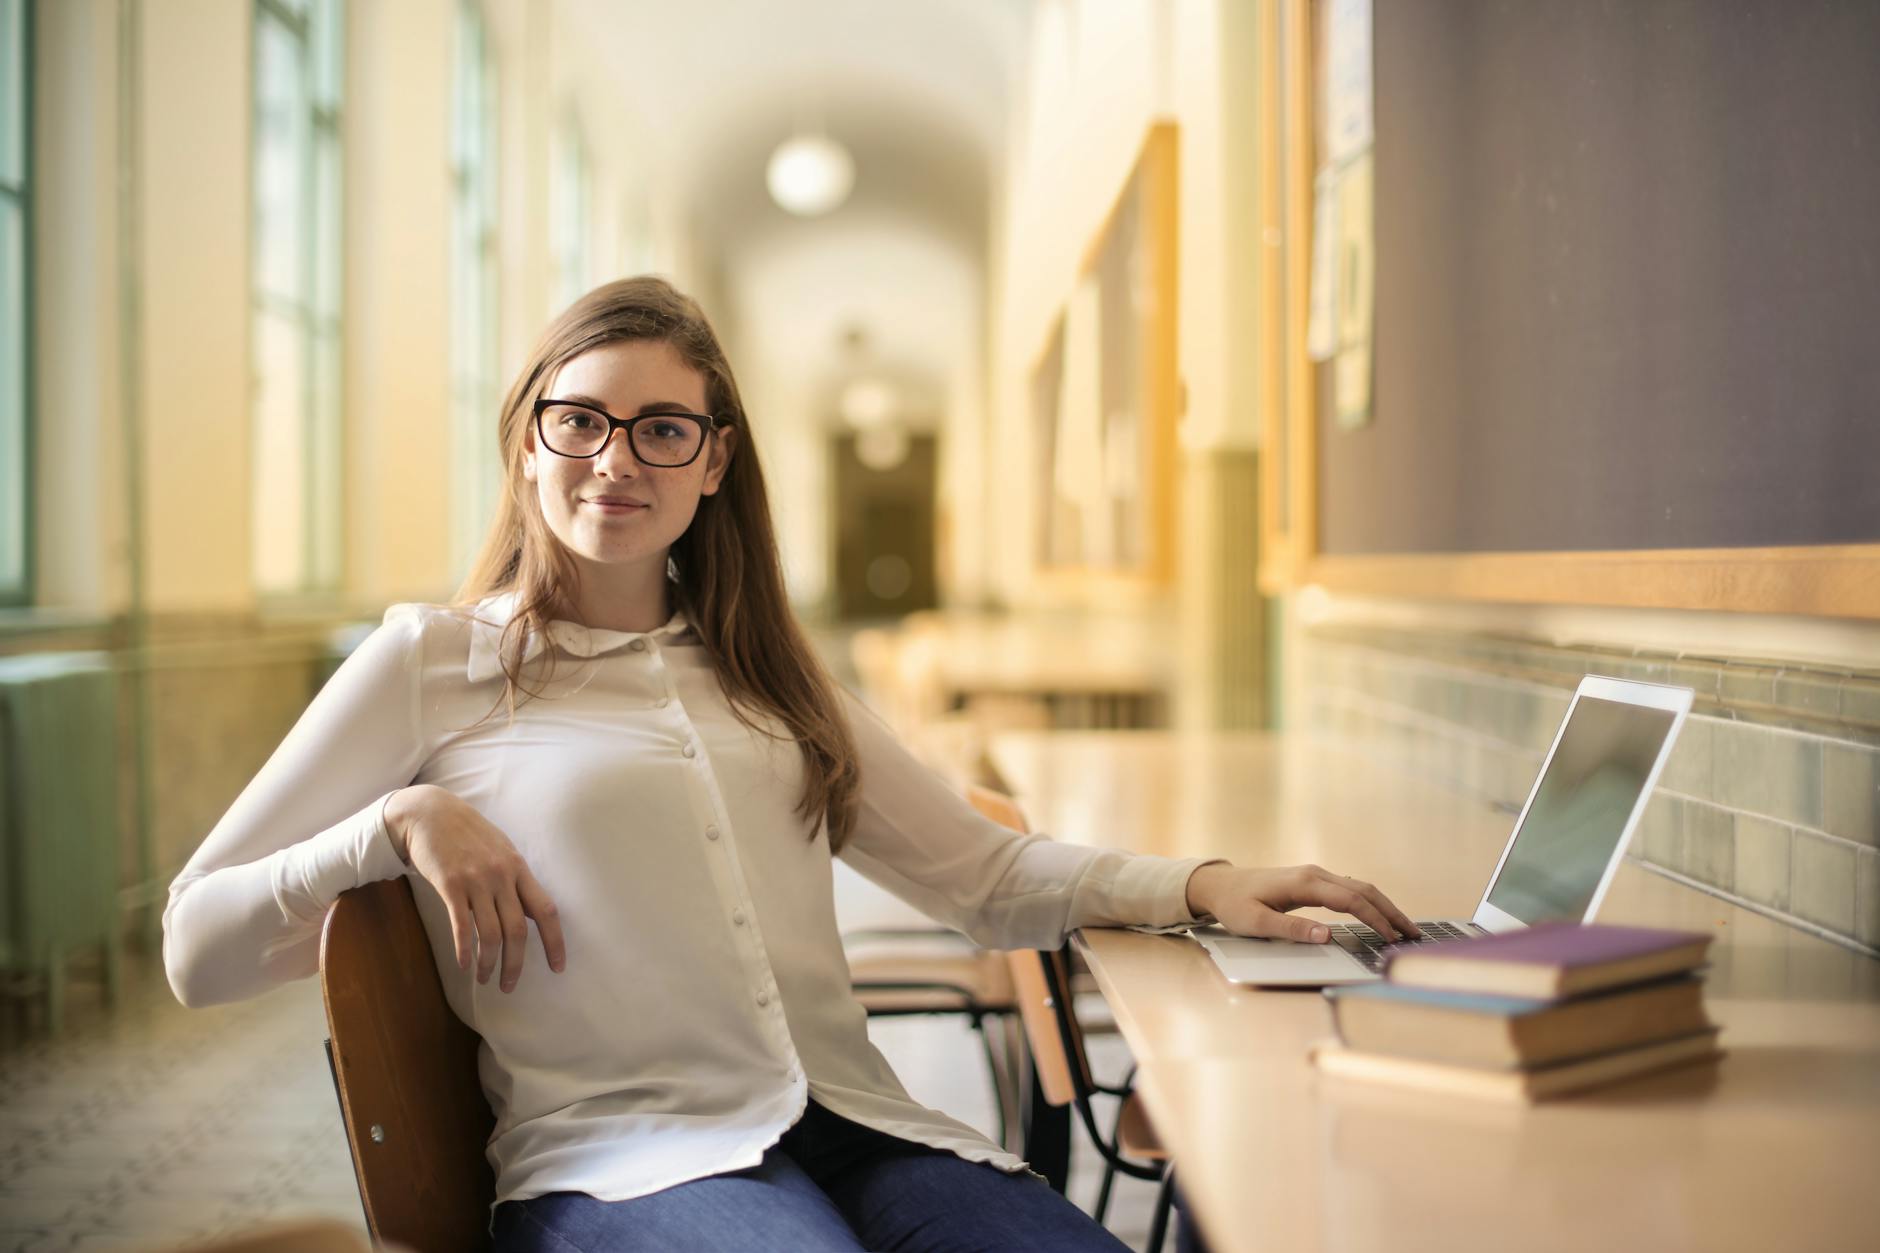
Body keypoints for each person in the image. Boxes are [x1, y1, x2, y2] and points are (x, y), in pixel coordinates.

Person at [162, 276, 1421, 1252]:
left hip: (862, 1127)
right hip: (625, 1160)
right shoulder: (430, 663)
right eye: (580, 421)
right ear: (527, 442)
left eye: (661, 429)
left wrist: (1200, 885)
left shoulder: (767, 665)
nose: (615, 460)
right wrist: (395, 821)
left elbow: (983, 874)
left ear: (714, 463)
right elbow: (195, 945)